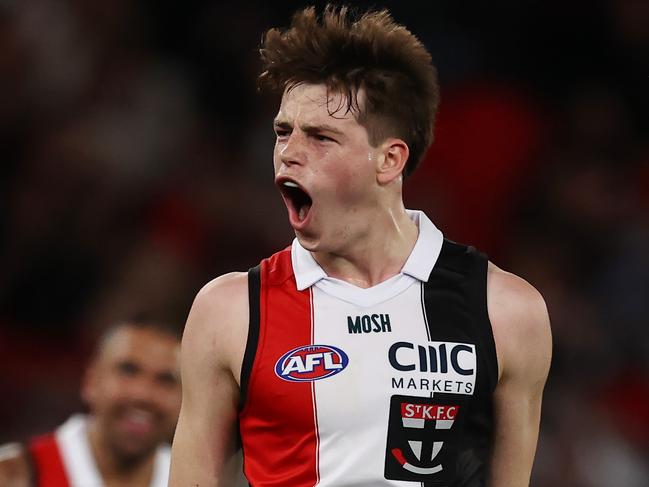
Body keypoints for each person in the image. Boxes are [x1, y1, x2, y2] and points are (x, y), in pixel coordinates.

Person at [170, 5, 552, 487]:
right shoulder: (229, 311)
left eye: (321, 137)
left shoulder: (508, 311)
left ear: (389, 160)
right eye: (283, 131)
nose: (288, 152)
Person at [0, 319, 182, 487]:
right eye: (128, 371)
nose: (143, 395)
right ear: (91, 381)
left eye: (166, 380)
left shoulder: (196, 480)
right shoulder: (13, 475)